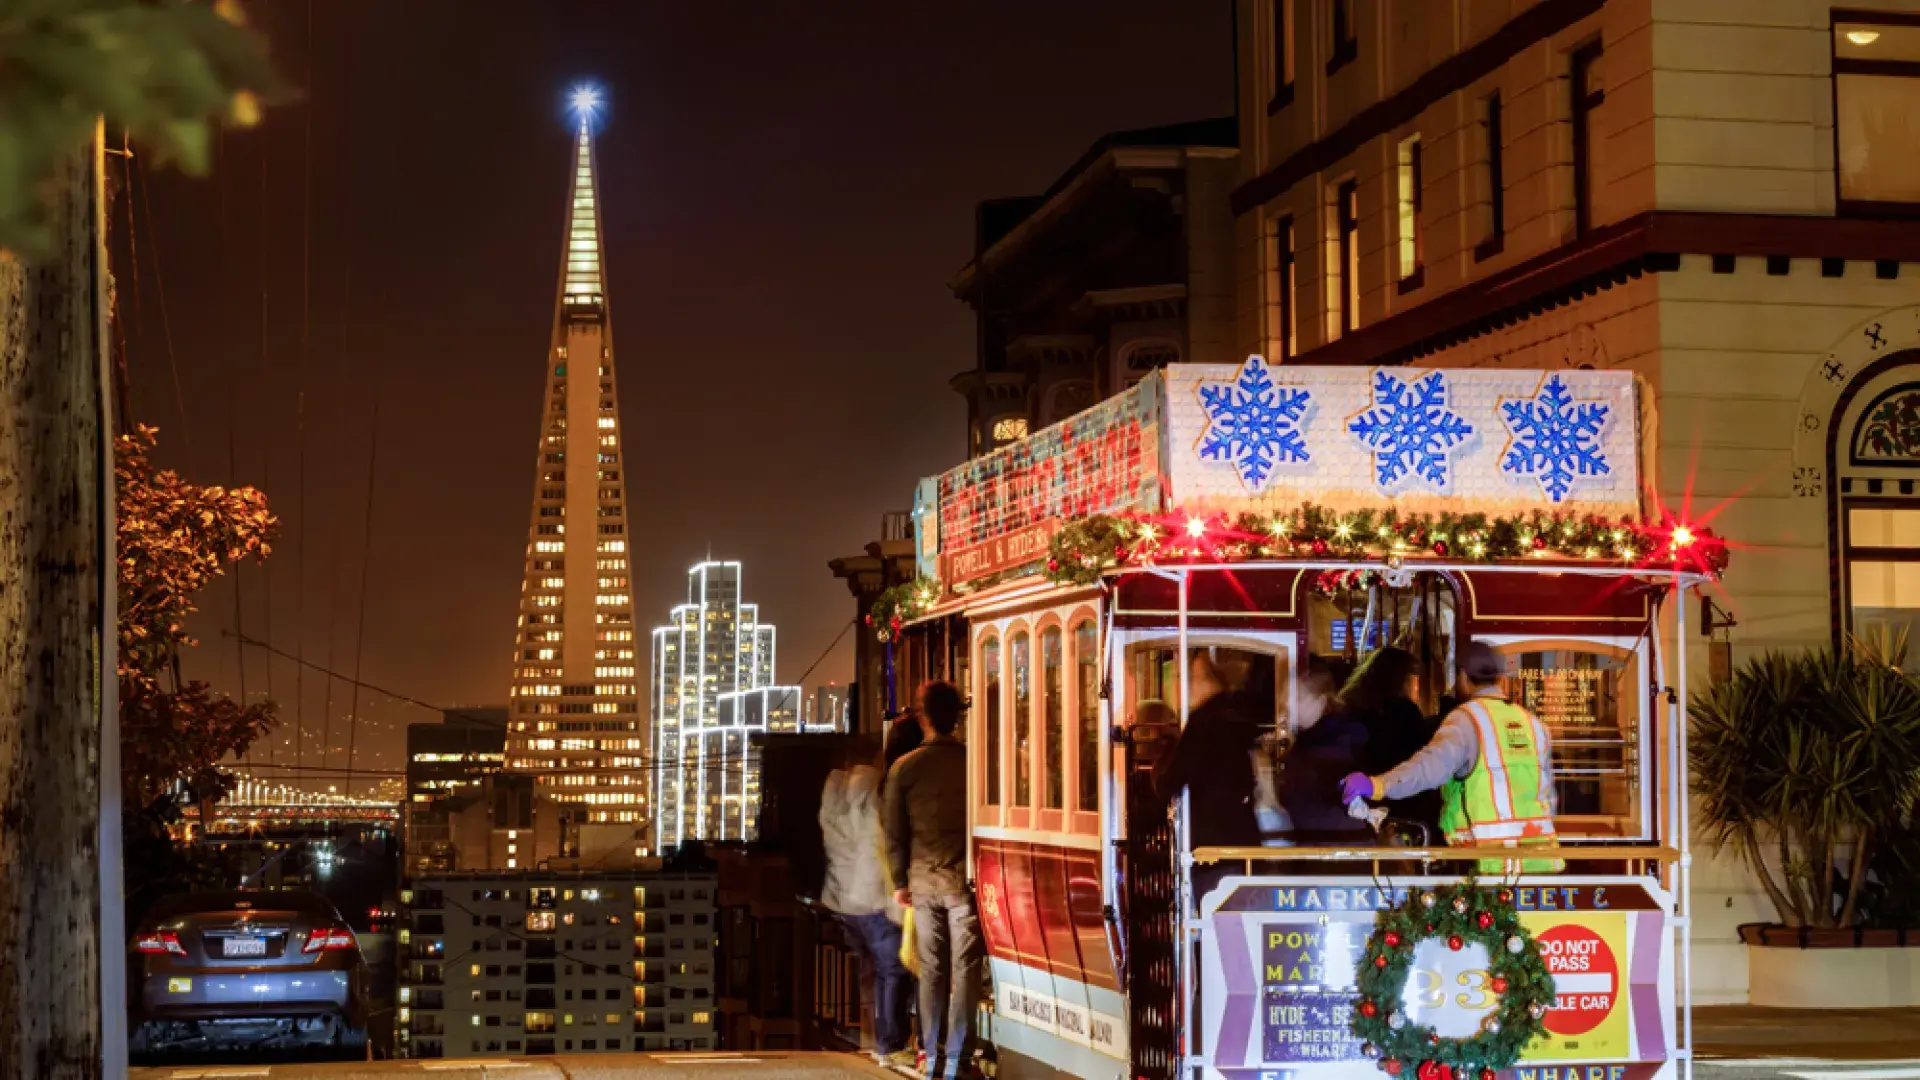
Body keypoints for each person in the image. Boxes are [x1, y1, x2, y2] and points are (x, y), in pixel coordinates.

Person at [1340, 641, 1562, 872]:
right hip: (1538, 858)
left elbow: (1429, 769)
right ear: (1499, 677)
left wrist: (1377, 785)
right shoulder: (1533, 724)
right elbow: (1549, 796)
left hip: (1485, 860)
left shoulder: (1467, 720)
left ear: (1464, 676)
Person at [886, 681, 982, 1080]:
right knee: (965, 971)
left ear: (923, 717)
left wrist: (899, 880)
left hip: (923, 881)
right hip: (964, 879)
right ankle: (959, 1058)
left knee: (932, 971)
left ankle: (931, 1054)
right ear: (958, 716)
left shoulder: (905, 768)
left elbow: (894, 831)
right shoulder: (974, 764)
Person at [820, 719, 922, 1068]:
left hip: (842, 897)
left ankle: (879, 1038)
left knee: (876, 970)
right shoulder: (879, 790)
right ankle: (890, 1043)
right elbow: (885, 842)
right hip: (874, 896)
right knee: (894, 969)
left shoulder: (835, 791)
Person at [1153, 650, 1265, 848]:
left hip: (1212, 841)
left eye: (1191, 678)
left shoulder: (1202, 724)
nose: (1186, 687)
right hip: (1245, 835)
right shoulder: (1242, 716)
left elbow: (1167, 782)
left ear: (1206, 681)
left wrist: (1167, 746)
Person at [1338, 646, 1442, 840]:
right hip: (1401, 805)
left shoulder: (1352, 710)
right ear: (1401, 680)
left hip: (1360, 805)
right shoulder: (1404, 713)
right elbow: (1420, 760)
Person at [1273, 662, 1373, 843]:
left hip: (1337, 846)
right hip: (1323, 842)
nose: (1287, 704)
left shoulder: (1339, 740)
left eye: (1298, 698)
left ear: (1320, 700)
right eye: (1285, 696)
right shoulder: (1313, 738)